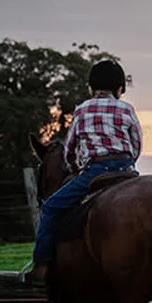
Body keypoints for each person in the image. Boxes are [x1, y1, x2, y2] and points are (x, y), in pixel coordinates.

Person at [24, 59, 140, 287]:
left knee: (50, 207)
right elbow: (136, 143)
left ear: (91, 88)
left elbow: (69, 149)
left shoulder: (82, 109)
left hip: (95, 171)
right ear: (119, 89)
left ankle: (41, 266)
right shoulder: (127, 109)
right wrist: (128, 163)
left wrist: (74, 165)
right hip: (127, 170)